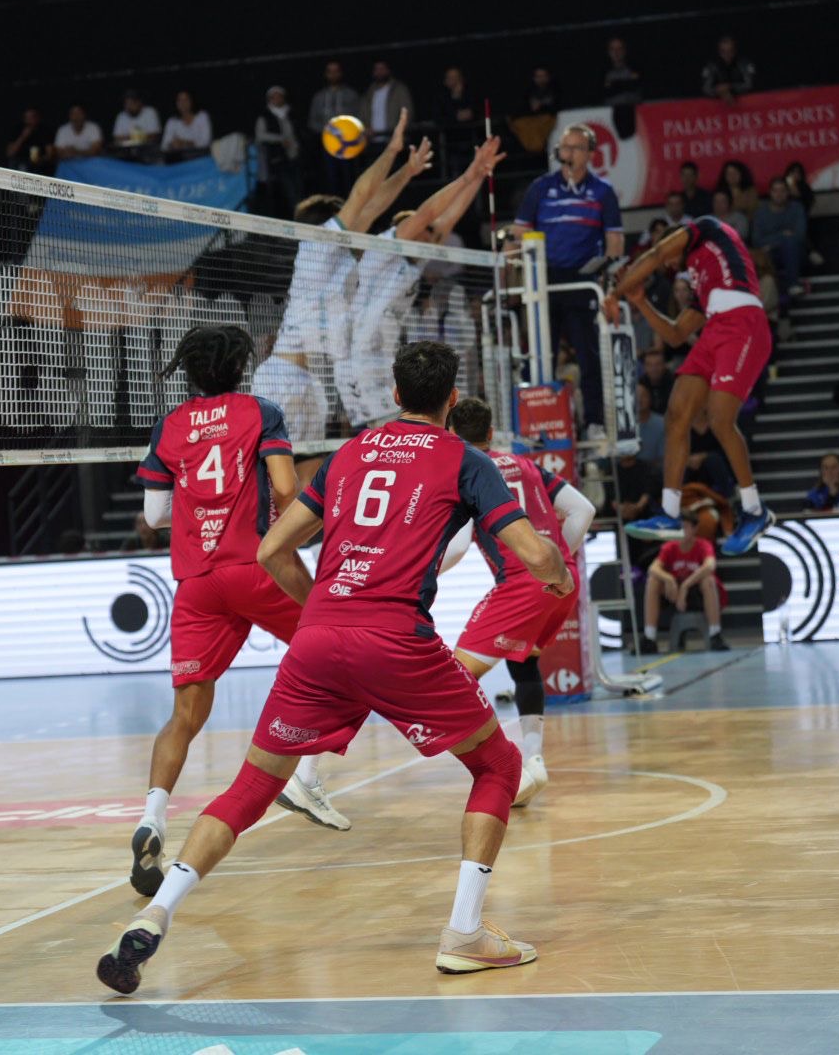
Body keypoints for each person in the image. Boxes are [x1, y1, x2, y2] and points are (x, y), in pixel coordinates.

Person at [96, 342, 572, 994]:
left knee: (250, 788)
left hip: (318, 637)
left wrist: (318, 603)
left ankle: (153, 916)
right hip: (396, 638)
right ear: (451, 400)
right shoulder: (464, 458)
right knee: (497, 766)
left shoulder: (350, 453)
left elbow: (271, 547)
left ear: (395, 396)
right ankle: (465, 933)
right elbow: (529, 551)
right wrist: (553, 577)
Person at [129, 325, 347, 898]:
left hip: (197, 582)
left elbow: (153, 517)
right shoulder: (260, 411)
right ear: (240, 366)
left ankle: (151, 817)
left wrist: (201, 511)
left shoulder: (170, 426)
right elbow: (281, 486)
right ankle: (304, 777)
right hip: (257, 566)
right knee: (341, 649)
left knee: (185, 714)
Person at [441, 398, 595, 806]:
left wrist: (423, 573)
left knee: (454, 678)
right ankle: (533, 762)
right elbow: (584, 509)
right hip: (564, 581)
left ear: (453, 436)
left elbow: (456, 547)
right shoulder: (526, 465)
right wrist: (557, 562)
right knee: (524, 662)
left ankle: (501, 766)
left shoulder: (465, 470)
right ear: (491, 433)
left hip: (521, 584)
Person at [250, 109, 430, 446]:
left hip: (311, 380)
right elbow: (361, 199)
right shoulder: (317, 248)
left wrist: (407, 171)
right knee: (274, 476)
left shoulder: (340, 258)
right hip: (279, 376)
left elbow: (371, 206)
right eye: (342, 218)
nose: (353, 220)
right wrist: (390, 151)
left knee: (309, 472)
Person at [606, 216, 777, 556]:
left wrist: (616, 293)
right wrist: (638, 300)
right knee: (676, 414)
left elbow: (655, 255)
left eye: (672, 256)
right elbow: (674, 334)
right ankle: (669, 512)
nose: (670, 265)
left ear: (677, 240)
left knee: (719, 418)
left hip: (744, 322)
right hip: (717, 328)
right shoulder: (703, 284)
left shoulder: (707, 228)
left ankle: (755, 510)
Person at [342, 138, 504, 427]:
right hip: (361, 362)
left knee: (409, 430)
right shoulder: (382, 250)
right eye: (425, 232)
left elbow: (447, 219)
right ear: (408, 231)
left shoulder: (414, 262)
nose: (433, 236)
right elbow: (428, 214)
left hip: (385, 358)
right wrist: (467, 174)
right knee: (384, 436)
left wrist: (479, 174)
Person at [512, 122, 625, 436]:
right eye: (565, 147)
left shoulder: (603, 192)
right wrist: (513, 263)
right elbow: (519, 233)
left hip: (582, 279)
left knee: (588, 355)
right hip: (543, 280)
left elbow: (615, 242)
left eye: (576, 148)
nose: (568, 153)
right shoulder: (540, 188)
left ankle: (594, 422)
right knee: (537, 354)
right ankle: (534, 422)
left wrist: (610, 282)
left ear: (589, 153)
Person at [636, 509, 727, 653]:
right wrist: (669, 578)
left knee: (708, 580)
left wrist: (686, 585)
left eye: (684, 527)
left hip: (696, 594)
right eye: (678, 528)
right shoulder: (670, 546)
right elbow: (653, 568)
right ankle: (649, 638)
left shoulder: (703, 545)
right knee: (653, 581)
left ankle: (715, 634)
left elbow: (710, 565)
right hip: (674, 594)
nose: (681, 531)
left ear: (695, 528)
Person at [307, 60, 360, 193]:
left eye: (336, 71)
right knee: (330, 178)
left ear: (341, 73)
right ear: (326, 74)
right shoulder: (319, 97)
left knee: (349, 177)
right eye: (330, 72)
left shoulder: (351, 94)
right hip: (328, 145)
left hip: (349, 144)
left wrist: (346, 130)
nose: (333, 75)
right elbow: (312, 121)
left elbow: (359, 116)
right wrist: (328, 130)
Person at [254, 86, 304, 219]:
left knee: (299, 190)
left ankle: (303, 218)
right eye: (274, 96)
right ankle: (295, 218)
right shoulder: (264, 116)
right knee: (288, 192)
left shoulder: (292, 113)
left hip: (295, 158)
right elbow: (260, 136)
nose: (277, 99)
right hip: (278, 160)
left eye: (279, 96)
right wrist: (280, 140)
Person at [752, 177, 807, 291]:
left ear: (787, 192)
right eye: (775, 191)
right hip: (770, 255)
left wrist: (772, 242)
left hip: (795, 252)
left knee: (790, 242)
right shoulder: (761, 213)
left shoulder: (797, 208)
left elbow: (799, 235)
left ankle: (793, 285)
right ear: (770, 193)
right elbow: (757, 240)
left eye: (782, 190)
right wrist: (783, 236)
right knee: (787, 239)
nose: (779, 194)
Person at [359, 61, 414, 149]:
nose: (379, 72)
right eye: (377, 69)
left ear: (388, 70)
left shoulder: (399, 90)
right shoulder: (369, 92)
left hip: (393, 140)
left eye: (382, 69)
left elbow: (408, 112)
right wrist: (366, 128)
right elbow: (363, 114)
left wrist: (398, 132)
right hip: (373, 141)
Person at [702, 34, 755, 102]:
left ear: (735, 50)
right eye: (723, 52)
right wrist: (719, 91)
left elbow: (749, 85)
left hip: (747, 104)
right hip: (719, 107)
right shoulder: (712, 66)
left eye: (730, 51)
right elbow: (706, 88)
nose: (727, 55)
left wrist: (730, 87)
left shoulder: (744, 64)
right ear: (719, 52)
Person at [161, 91, 212, 156]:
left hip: (201, 157)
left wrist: (184, 143)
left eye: (186, 100)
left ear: (191, 101)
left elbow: (206, 142)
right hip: (180, 160)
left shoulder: (202, 116)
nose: (183, 103)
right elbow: (163, 146)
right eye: (179, 100)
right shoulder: (172, 121)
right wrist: (172, 145)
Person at [5, 108, 55, 173]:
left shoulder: (44, 131)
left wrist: (40, 159)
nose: (29, 120)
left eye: (32, 117)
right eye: (27, 118)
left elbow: (50, 154)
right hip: (19, 165)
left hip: (39, 166)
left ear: (38, 118)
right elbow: (10, 153)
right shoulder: (18, 130)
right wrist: (22, 137)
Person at [603, 35, 642, 106]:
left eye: (619, 48)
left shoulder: (633, 69)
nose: (616, 52)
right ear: (608, 52)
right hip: (611, 112)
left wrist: (614, 85)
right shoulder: (604, 73)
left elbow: (637, 86)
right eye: (612, 49)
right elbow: (604, 91)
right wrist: (627, 83)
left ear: (624, 51)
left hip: (633, 109)